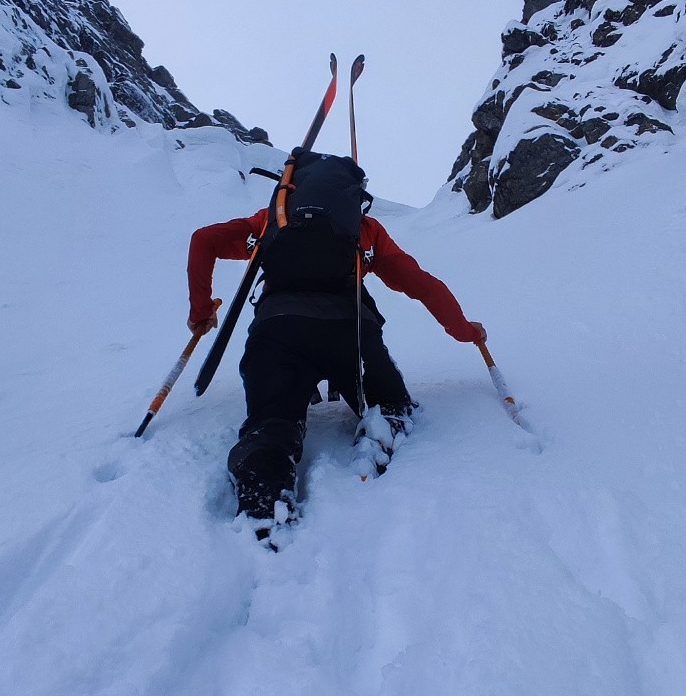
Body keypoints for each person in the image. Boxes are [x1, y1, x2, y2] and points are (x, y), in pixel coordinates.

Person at [187, 157, 487, 524]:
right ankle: (378, 433)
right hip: (350, 336)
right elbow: (421, 284)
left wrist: (201, 312)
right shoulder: (364, 230)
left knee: (271, 421)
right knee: (390, 404)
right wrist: (464, 330)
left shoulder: (272, 222)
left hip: (277, 333)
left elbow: (203, 241)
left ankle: (264, 500)